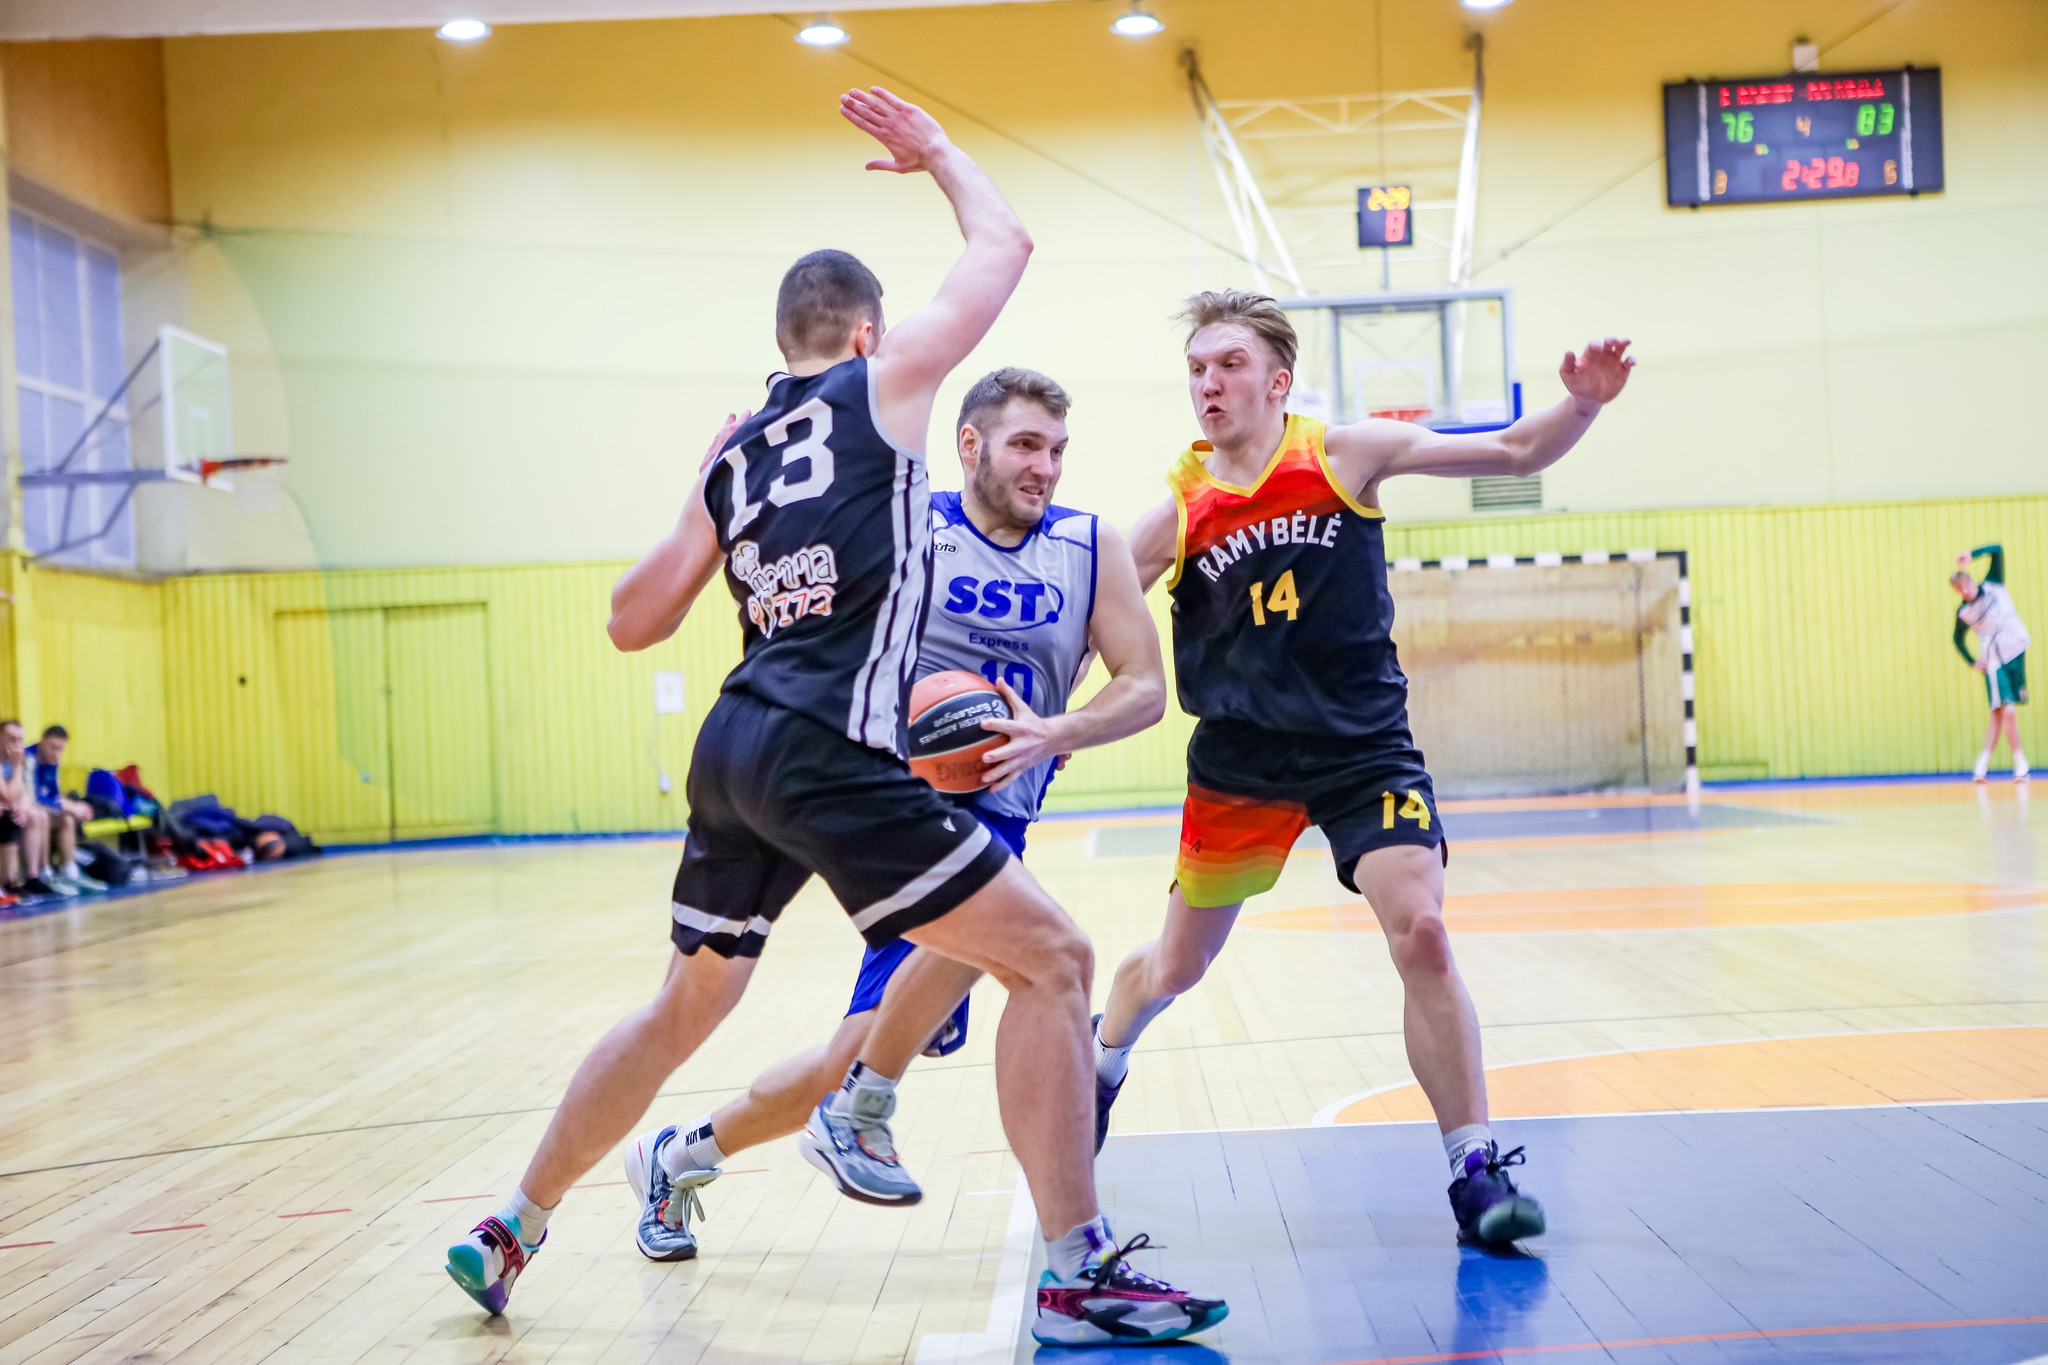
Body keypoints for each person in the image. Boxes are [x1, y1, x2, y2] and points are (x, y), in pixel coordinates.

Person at [443, 89, 1223, 1348]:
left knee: (681, 1007)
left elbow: (630, 622)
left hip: (730, 748)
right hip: (828, 748)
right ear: (866, 331)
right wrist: (939, 153)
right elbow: (1006, 243)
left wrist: (702, 489)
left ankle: (511, 1224)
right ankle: (1076, 1272)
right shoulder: (881, 384)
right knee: (1055, 960)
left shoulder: (736, 451)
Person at [1094, 290, 1634, 1250]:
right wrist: (1033, 712)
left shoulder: (1346, 455)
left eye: (1228, 364)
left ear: (1278, 381)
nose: (1208, 383)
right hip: (1241, 761)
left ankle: (1474, 1168)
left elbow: (1516, 451)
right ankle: (1102, 1059)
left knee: (1422, 929)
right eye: (1197, 368)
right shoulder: (1176, 511)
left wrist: (1583, 404)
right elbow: (1088, 621)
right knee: (1177, 964)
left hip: (1363, 747)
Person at [629, 365, 1166, 1242]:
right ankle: (1067, 1233)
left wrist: (1055, 731)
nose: (1046, 467)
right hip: (901, 816)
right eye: (1026, 445)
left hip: (1004, 810)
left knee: (861, 1047)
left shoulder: (1088, 544)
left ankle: (684, 1152)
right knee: (1043, 967)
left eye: (1058, 450)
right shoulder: (906, 524)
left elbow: (1144, 686)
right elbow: (791, 574)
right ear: (970, 444)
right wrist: (728, 474)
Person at [1953, 544, 2029, 783]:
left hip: (2016, 650)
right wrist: (1972, 661)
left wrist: (1971, 554)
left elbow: (1997, 550)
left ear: (1972, 581)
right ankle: (2020, 764)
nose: (1965, 591)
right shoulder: (1964, 612)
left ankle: (1982, 765)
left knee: (1997, 716)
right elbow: (1957, 639)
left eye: (1966, 585)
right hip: (1994, 660)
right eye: (1960, 590)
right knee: (2009, 711)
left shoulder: (1993, 584)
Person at [30, 726, 107, 893]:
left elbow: (54, 795)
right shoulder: (29, 758)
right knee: (44, 816)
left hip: (40, 812)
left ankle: (70, 871)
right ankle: (45, 873)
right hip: (28, 813)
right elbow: (33, 799)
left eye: (60, 749)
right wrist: (71, 807)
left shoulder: (53, 762)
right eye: (53, 747)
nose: (56, 753)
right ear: (42, 741)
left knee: (67, 818)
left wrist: (76, 808)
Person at [0, 721, 63, 901]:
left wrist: (22, 807)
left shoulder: (15, 761)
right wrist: (18, 767)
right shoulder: (14, 763)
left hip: (6, 808)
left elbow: (22, 794)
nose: (16, 744)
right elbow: (8, 794)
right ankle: (7, 881)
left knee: (34, 816)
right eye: (11, 739)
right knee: (11, 819)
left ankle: (33, 877)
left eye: (20, 740)